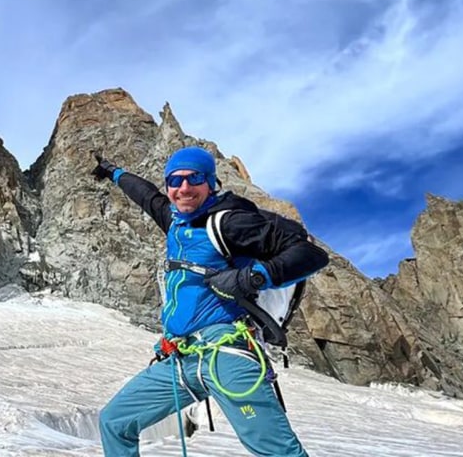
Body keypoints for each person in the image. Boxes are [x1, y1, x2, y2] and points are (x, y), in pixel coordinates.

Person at [92, 146, 329, 457]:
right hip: (180, 358)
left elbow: (312, 255)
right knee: (115, 421)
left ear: (211, 182)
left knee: (279, 453)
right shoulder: (175, 221)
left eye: (195, 178)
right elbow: (146, 196)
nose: (184, 188)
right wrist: (113, 172)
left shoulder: (229, 223)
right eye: (175, 181)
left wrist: (251, 278)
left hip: (225, 354)